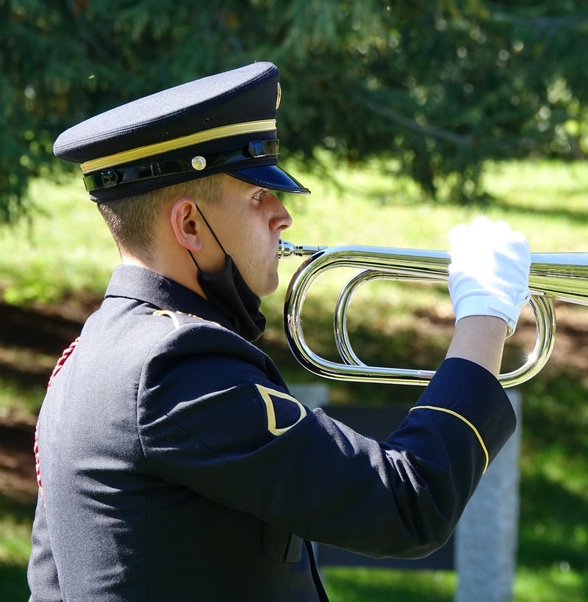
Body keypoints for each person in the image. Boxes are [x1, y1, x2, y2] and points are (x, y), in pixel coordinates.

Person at [28, 61, 530, 601]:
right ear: (190, 225)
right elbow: (408, 507)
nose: (283, 215)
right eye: (257, 196)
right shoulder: (173, 367)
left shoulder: (88, 356)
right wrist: (485, 315)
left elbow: (50, 586)